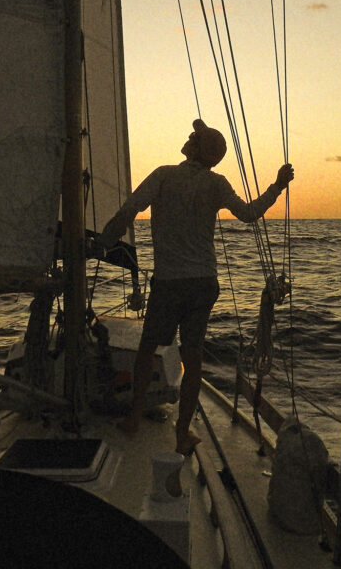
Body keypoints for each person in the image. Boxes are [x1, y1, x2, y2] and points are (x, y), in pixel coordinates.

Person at [99, 119, 294, 454]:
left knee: (147, 351)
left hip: (171, 283)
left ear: (197, 148)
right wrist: (276, 186)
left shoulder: (163, 175)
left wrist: (104, 241)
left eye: (195, 136)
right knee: (193, 356)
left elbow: (130, 209)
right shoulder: (217, 183)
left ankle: (134, 417)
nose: (189, 137)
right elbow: (249, 214)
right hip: (204, 283)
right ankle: (182, 432)